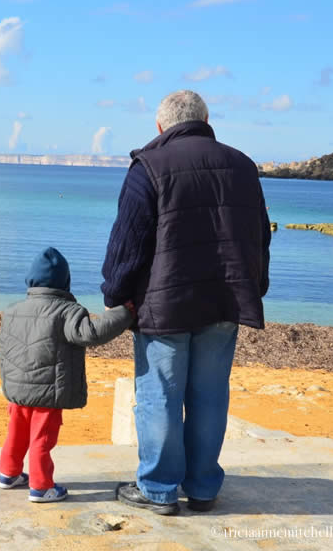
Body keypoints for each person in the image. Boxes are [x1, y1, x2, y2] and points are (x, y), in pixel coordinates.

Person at [101, 90, 271, 516]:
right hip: (224, 299)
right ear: (207, 120)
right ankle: (202, 487)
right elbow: (259, 237)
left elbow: (128, 243)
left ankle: (158, 488)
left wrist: (115, 294)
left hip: (165, 305)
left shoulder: (149, 166)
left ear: (161, 126)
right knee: (210, 396)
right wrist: (256, 286)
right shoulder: (243, 166)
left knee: (160, 394)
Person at [0, 247, 133, 503]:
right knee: (42, 439)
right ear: (65, 281)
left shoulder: (13, 310)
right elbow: (91, 333)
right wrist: (123, 313)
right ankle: (41, 486)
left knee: (15, 433)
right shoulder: (66, 311)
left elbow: (4, 346)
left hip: (17, 390)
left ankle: (8, 474)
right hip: (48, 391)